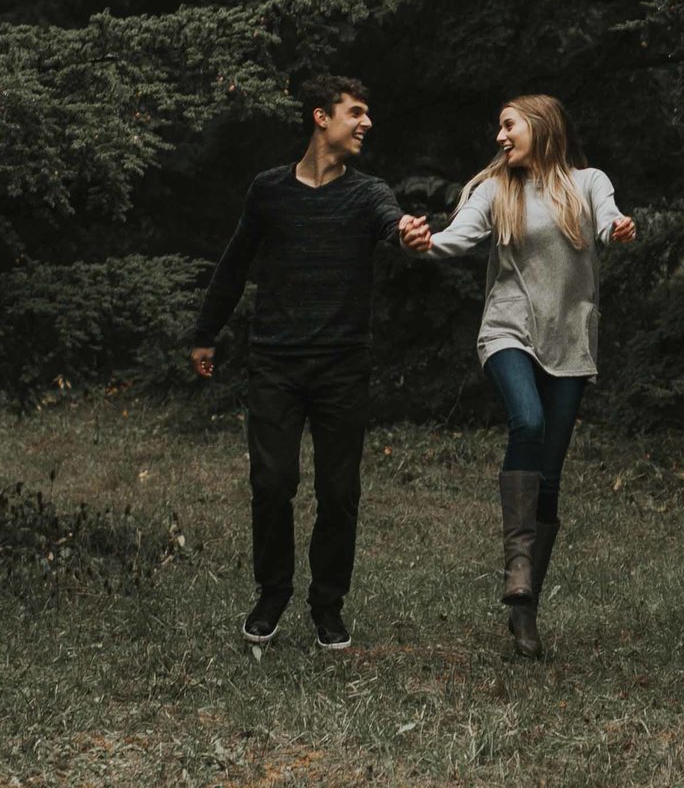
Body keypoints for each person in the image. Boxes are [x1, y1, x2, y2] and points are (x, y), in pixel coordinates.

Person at [190, 74, 430, 651]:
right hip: (274, 362)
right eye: (356, 112)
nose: (366, 123)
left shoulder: (368, 193)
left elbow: (390, 222)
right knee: (272, 484)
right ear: (321, 117)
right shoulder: (268, 191)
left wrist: (406, 233)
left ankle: (328, 607)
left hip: (343, 366)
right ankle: (272, 595)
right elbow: (233, 263)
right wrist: (205, 333)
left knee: (338, 491)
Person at [404, 94, 634, 658]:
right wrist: (423, 241)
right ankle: (517, 569)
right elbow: (454, 240)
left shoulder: (587, 183)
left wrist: (618, 228)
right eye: (499, 129)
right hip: (508, 330)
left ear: (541, 124)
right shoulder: (495, 190)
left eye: (509, 126)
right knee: (525, 421)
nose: (501, 137)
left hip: (570, 340)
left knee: (549, 480)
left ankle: (525, 611)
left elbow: (607, 220)